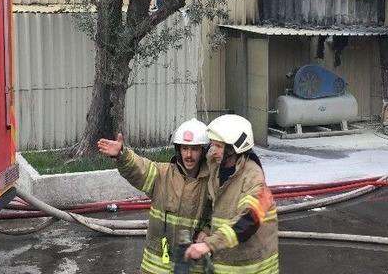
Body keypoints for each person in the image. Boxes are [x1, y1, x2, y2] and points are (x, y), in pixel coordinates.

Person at [97, 119, 211, 274]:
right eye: (185, 148)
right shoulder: (162, 174)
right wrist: (122, 155)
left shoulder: (211, 181)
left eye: (194, 149)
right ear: (178, 149)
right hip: (156, 266)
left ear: (203, 151)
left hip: (192, 266)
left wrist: (207, 231)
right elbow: (140, 168)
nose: (189, 155)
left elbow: (220, 213)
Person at [185, 114, 279, 273]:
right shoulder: (217, 169)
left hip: (253, 268)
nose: (212, 151)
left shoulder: (254, 178)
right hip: (228, 266)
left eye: (219, 146)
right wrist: (207, 231)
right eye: (212, 145)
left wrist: (209, 244)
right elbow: (220, 211)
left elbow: (249, 219)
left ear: (234, 148)